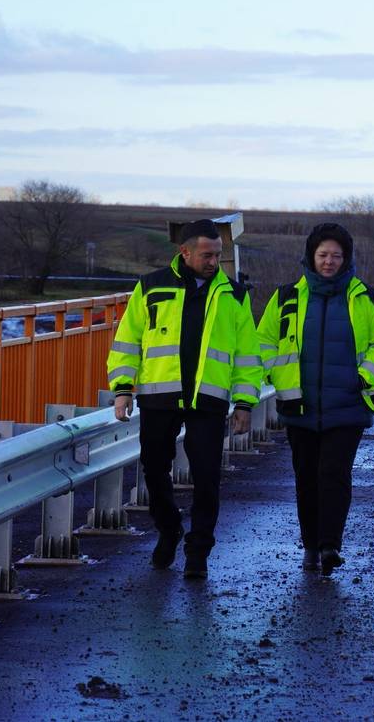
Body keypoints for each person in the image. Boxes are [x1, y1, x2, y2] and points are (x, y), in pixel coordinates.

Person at [107, 219, 262, 579]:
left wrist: (244, 403)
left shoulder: (234, 295)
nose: (214, 262)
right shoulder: (151, 287)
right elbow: (127, 343)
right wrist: (122, 389)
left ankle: (198, 551)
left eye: (219, 255)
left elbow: (247, 355)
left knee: (207, 476)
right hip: (159, 397)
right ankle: (169, 529)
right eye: (207, 255)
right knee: (154, 469)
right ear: (185, 252)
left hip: (208, 399)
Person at [256, 223, 374, 575]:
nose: (329, 262)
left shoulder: (367, 298)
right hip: (298, 404)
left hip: (348, 404)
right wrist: (279, 374)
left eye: (336, 255)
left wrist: (364, 374)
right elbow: (264, 343)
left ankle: (330, 544)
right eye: (323, 255)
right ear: (311, 257)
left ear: (346, 258)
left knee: (334, 474)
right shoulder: (286, 297)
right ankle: (310, 546)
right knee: (306, 477)